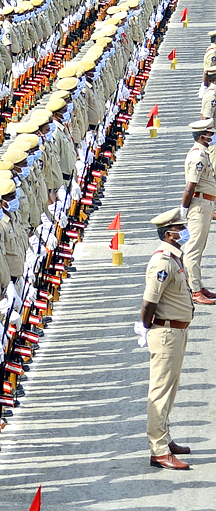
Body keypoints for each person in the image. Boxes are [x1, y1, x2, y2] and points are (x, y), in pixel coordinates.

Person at [136, 207, 194, 470]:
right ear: (169, 234)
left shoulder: (174, 258)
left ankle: (164, 436)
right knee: (159, 392)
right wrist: (146, 327)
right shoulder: (162, 262)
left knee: (170, 390)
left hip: (177, 330)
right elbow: (149, 302)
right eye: (180, 229)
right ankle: (158, 449)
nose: (184, 232)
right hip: (166, 331)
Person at [179, 119, 216, 304]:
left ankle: (198, 285)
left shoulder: (203, 152)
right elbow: (190, 186)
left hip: (206, 203)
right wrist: (184, 209)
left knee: (199, 247)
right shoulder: (198, 156)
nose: (212, 136)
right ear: (203, 136)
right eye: (210, 134)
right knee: (193, 249)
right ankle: (194, 290)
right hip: (199, 205)